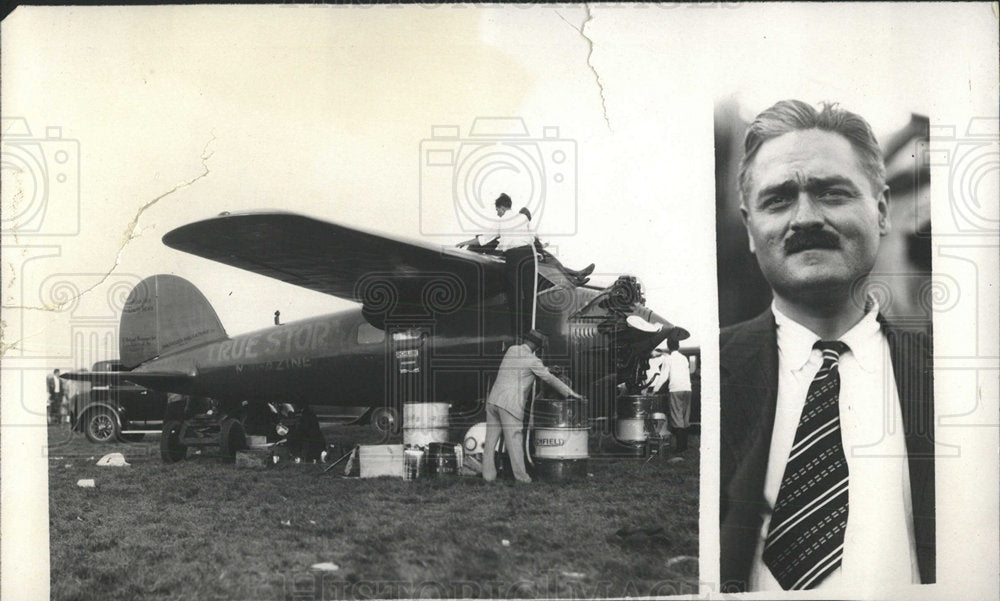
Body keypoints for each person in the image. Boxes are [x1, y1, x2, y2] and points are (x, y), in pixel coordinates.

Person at [719, 100, 934, 592]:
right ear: (750, 229)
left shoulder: (954, 380)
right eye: (778, 200)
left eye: (832, 193)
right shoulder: (708, 374)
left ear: (881, 211)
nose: (805, 218)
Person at [458, 193, 593, 333]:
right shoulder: (522, 218)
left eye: (497, 210)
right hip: (529, 255)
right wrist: (537, 252)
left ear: (502, 208)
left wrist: (465, 242)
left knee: (515, 294)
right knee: (530, 294)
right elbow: (531, 238)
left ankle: (518, 330)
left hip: (515, 256)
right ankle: (530, 328)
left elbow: (483, 239)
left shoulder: (501, 221)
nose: (498, 213)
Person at [482, 329, 582, 483]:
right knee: (514, 442)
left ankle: (488, 477)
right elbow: (549, 379)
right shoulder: (533, 361)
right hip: (510, 404)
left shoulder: (512, 350)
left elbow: (522, 367)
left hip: (493, 400)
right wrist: (570, 393)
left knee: (490, 442)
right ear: (537, 347)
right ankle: (522, 478)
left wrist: (546, 369)